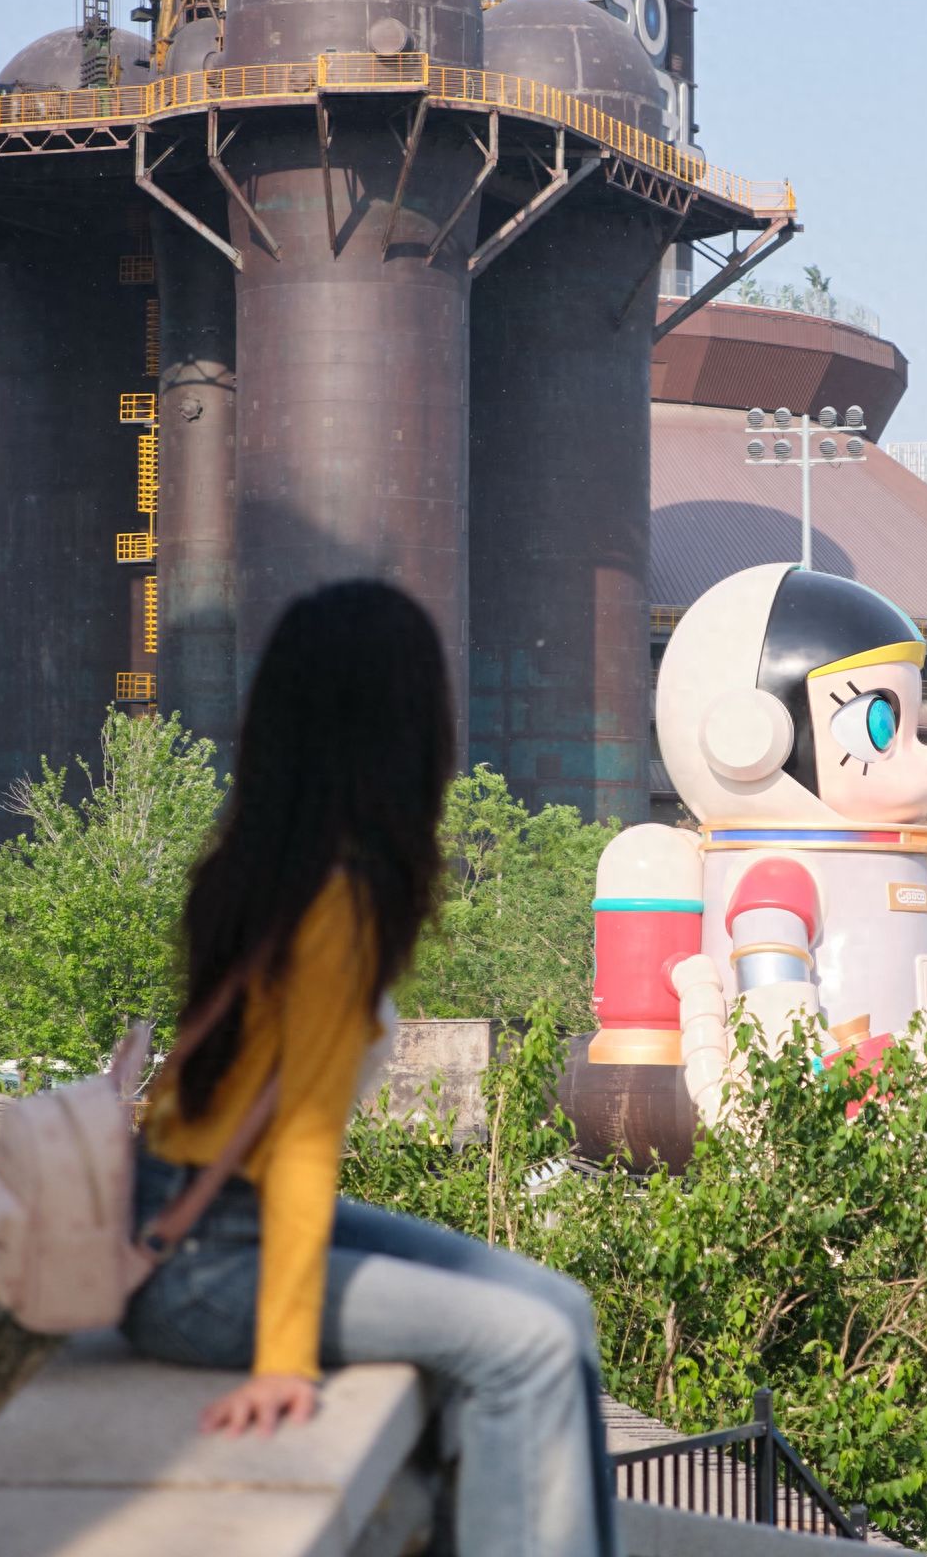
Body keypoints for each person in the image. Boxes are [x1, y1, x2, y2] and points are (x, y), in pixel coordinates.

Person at [123, 580, 620, 1557]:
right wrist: (281, 1358)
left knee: (561, 1308)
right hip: (203, 1262)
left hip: (192, 1209)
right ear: (399, 731)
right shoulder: (338, 904)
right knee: (525, 1350)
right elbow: (304, 1142)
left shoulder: (264, 867)